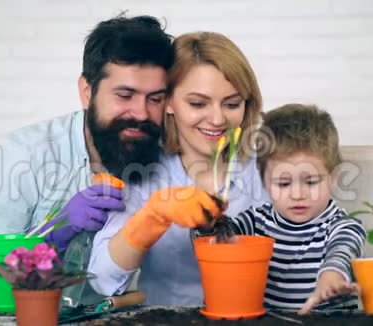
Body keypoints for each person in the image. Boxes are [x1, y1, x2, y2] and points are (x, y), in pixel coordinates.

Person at [0, 14, 174, 302]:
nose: (141, 113)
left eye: (155, 99)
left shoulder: (170, 158)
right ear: (87, 92)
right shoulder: (26, 155)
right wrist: (51, 239)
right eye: (125, 95)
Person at [88, 32, 269, 306]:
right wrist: (152, 217)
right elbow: (101, 280)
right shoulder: (144, 171)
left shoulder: (270, 170)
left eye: (232, 104)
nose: (218, 119)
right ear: (169, 102)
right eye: (198, 103)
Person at [223, 104, 367, 313]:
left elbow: (342, 251)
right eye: (283, 183)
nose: (298, 194)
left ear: (334, 179)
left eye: (311, 182)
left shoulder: (342, 226)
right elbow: (220, 240)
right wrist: (211, 222)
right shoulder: (256, 222)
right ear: (264, 183)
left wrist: (332, 276)